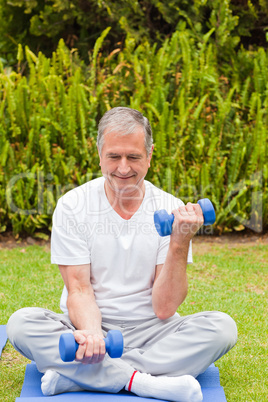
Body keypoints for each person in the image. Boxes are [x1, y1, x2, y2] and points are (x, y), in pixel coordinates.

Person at [7, 107, 237, 402]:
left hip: (154, 330)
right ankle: (143, 382)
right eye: (114, 156)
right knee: (22, 323)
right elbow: (78, 289)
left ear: (150, 154)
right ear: (99, 153)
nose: (124, 168)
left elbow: (165, 308)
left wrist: (179, 241)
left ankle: (82, 378)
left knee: (222, 328)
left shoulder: (170, 207)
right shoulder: (72, 205)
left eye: (134, 157)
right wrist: (91, 335)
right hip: (91, 324)